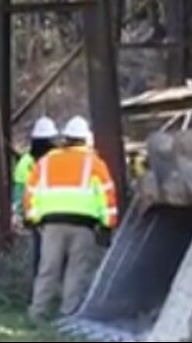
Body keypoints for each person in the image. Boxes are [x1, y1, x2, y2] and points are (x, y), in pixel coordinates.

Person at [24, 115, 119, 323]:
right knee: (77, 271)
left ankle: (37, 313)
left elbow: (30, 192)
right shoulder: (95, 164)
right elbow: (107, 196)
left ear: (65, 138)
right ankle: (69, 315)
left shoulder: (46, 162)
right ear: (86, 140)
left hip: (51, 225)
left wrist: (34, 219)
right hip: (83, 227)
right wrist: (108, 225)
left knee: (48, 268)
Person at [13, 116, 61, 277]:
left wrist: (18, 213)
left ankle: (40, 282)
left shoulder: (25, 162)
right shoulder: (57, 158)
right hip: (55, 211)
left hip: (35, 213)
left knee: (40, 251)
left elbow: (19, 190)